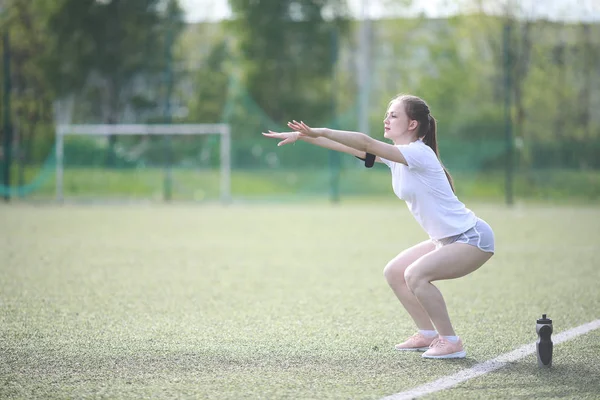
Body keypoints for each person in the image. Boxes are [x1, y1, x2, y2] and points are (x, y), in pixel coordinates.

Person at [262, 94, 495, 359]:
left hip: (471, 239)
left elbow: (363, 141)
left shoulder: (418, 153)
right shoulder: (397, 156)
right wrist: (305, 136)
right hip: (445, 240)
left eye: (394, 115)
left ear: (412, 124)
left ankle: (451, 341)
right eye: (387, 114)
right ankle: (427, 334)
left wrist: (319, 130)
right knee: (395, 271)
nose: (386, 119)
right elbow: (348, 146)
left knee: (415, 275)